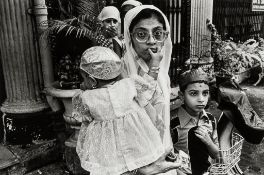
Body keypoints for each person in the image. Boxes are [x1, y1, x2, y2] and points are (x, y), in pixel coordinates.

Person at [72, 46, 181, 175]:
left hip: (108, 143)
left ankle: (141, 170)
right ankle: (145, 168)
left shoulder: (85, 97)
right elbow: (149, 82)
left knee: (112, 169)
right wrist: (156, 61)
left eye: (84, 78)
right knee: (138, 158)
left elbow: (84, 117)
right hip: (136, 136)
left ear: (92, 80)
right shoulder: (130, 84)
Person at [122, 5, 178, 175]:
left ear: (165, 36)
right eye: (142, 34)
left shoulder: (161, 68)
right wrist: (153, 67)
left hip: (162, 147)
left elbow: (162, 114)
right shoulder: (124, 70)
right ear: (130, 36)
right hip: (140, 156)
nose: (151, 41)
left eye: (158, 33)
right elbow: (141, 105)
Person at [170, 68, 219, 175]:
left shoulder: (210, 120)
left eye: (205, 93)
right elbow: (164, 159)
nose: (201, 99)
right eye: (193, 93)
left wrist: (209, 142)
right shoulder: (172, 123)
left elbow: (216, 155)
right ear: (182, 96)